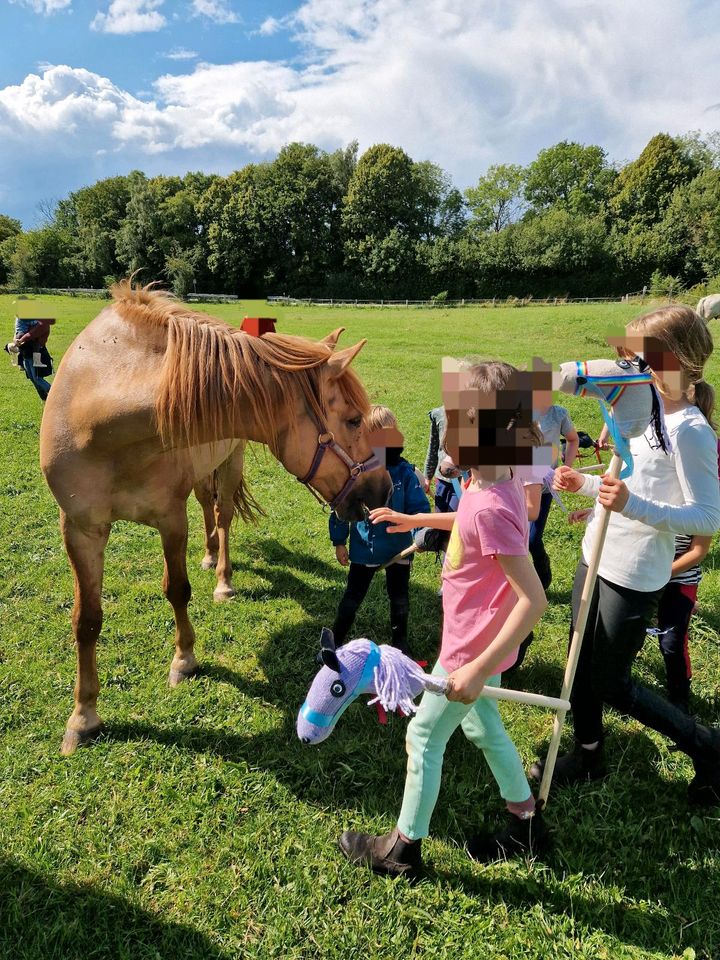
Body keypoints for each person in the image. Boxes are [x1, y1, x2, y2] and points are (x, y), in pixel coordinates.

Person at [338, 361, 550, 878]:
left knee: (423, 738)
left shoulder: (492, 505)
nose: (443, 429)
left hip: (471, 652)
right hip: (478, 644)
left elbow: (534, 600)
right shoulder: (489, 485)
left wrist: (476, 669)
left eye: (453, 420)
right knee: (484, 726)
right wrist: (414, 519)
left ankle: (401, 850)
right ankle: (525, 820)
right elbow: (469, 521)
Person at [533, 305, 720, 806]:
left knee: (611, 682)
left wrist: (631, 504)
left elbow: (707, 518)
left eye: (640, 357)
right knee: (577, 662)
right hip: (595, 553)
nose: (626, 365)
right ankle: (588, 751)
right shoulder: (641, 412)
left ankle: (708, 748)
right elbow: (629, 481)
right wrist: (588, 483)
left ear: (674, 360)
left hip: (635, 573)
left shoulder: (691, 430)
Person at [329, 405, 429, 656]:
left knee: (400, 598)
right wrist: (339, 541)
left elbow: (420, 510)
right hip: (365, 551)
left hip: (399, 550)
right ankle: (335, 639)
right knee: (352, 597)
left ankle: (400, 642)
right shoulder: (355, 474)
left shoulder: (405, 473)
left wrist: (420, 530)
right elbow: (342, 508)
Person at [11, 314, 55, 402]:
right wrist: (16, 339)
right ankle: (45, 399)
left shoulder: (43, 324)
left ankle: (54, 394)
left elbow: (31, 334)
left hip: (36, 353)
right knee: (32, 378)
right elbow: (18, 331)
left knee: (37, 378)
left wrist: (20, 340)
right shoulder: (27, 319)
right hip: (25, 353)